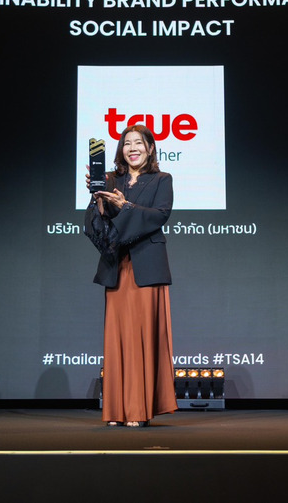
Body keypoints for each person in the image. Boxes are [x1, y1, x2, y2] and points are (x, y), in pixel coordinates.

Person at [84, 124, 178, 427]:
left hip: (147, 266)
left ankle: (138, 409)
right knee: (117, 339)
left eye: (139, 143)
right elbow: (97, 224)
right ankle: (115, 410)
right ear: (121, 149)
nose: (132, 148)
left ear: (150, 148)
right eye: (127, 143)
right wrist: (98, 199)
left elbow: (160, 216)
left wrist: (126, 206)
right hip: (117, 265)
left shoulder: (162, 179)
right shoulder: (111, 179)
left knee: (141, 338)